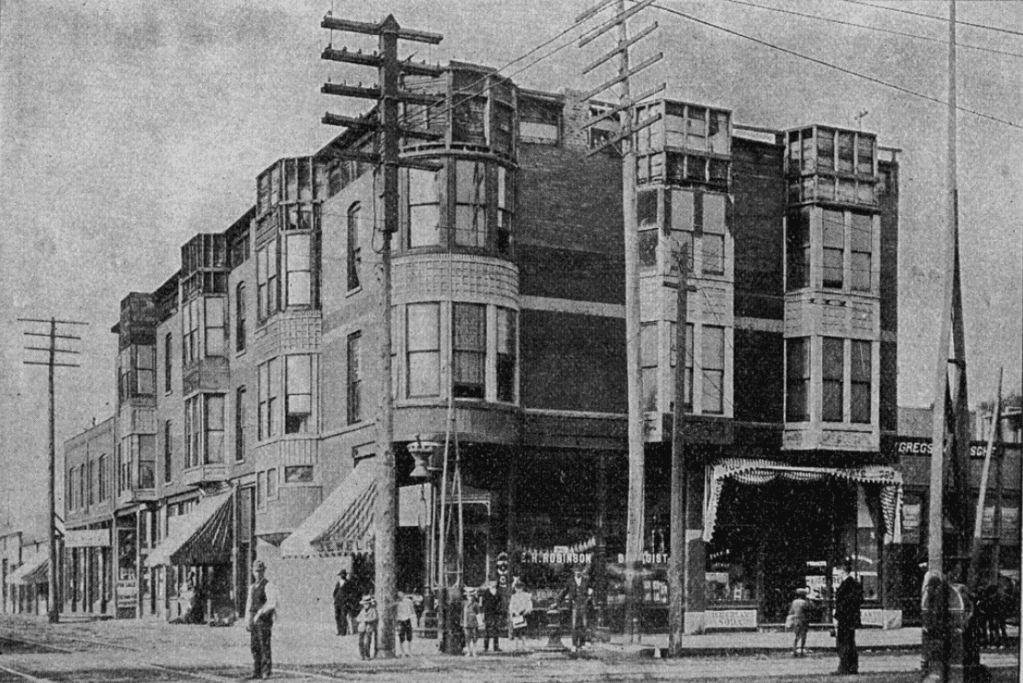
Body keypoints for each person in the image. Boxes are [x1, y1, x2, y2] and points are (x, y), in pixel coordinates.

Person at [245, 560, 277, 680]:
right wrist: (248, 620)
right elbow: (249, 604)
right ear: (253, 572)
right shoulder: (252, 587)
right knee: (254, 646)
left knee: (264, 645)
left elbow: (271, 603)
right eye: (256, 571)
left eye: (260, 571)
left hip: (264, 619)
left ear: (264, 571)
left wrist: (260, 613)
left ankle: (266, 671)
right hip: (254, 619)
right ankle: (256, 670)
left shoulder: (268, 585)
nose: (258, 573)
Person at [833, 562, 863, 676]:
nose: (837, 574)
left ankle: (844, 667)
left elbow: (844, 603)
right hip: (850, 618)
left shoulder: (848, 584)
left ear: (843, 571)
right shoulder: (854, 584)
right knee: (850, 642)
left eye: (838, 572)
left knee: (843, 642)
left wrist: (837, 616)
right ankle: (852, 666)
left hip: (845, 618)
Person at [559, 566, 593, 653]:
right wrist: (557, 602)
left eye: (579, 571)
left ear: (581, 572)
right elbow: (564, 591)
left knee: (583, 625)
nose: (578, 572)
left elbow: (591, 591)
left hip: (584, 605)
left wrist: (589, 598)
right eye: (576, 571)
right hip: (574, 605)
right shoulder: (570, 581)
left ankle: (582, 644)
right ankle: (574, 645)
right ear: (574, 571)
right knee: (574, 625)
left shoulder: (586, 581)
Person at [508, 580, 533, 651]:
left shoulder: (526, 595)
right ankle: (516, 647)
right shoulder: (513, 596)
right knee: (516, 632)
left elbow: (529, 605)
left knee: (523, 632)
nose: (519, 590)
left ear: (522, 588)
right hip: (516, 615)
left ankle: (524, 646)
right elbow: (511, 606)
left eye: (520, 588)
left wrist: (526, 611)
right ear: (515, 588)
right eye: (517, 588)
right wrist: (514, 612)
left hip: (523, 614)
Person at [787, 587, 811, 657]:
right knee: (803, 636)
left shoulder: (794, 602)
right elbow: (808, 610)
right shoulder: (804, 602)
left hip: (795, 620)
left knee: (796, 635)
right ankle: (802, 650)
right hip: (803, 620)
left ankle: (794, 649)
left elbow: (790, 611)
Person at [481, 581, 504, 652]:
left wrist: (500, 611)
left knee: (496, 630)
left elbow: (501, 602)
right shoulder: (486, 592)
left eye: (494, 582)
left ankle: (496, 647)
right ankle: (486, 647)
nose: (493, 583)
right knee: (487, 630)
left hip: (496, 613)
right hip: (488, 613)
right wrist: (483, 613)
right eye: (492, 582)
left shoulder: (498, 592)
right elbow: (483, 603)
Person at [396, 590, 418, 657]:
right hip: (400, 619)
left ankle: (408, 651)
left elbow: (412, 611)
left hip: (407, 619)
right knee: (401, 636)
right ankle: (403, 652)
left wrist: (413, 619)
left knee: (409, 636)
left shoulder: (408, 601)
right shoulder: (397, 602)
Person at [356, 595, 378, 660]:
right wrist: (361, 620)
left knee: (367, 642)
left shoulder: (373, 610)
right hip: (361, 627)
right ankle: (361, 655)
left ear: (369, 604)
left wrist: (368, 620)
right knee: (360, 642)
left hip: (369, 627)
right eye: (365, 604)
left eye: (367, 604)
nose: (366, 605)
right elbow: (357, 618)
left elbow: (375, 618)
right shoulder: (362, 611)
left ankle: (367, 655)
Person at [332, 570, 352, 636]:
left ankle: (343, 631)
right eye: (341, 574)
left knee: (343, 616)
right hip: (337, 602)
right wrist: (335, 598)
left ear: (345, 575)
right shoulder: (338, 582)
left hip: (344, 602)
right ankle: (339, 631)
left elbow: (350, 593)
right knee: (337, 616)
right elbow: (335, 592)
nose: (342, 575)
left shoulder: (348, 583)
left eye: (344, 574)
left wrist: (347, 600)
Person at [462, 587, 480, 657]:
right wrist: (462, 622)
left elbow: (478, 614)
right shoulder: (464, 603)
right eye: (469, 596)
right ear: (467, 596)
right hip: (466, 622)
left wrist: (480, 622)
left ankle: (474, 651)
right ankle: (469, 651)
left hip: (474, 622)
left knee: (474, 637)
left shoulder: (476, 604)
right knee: (467, 638)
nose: (470, 597)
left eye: (472, 596)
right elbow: (462, 613)